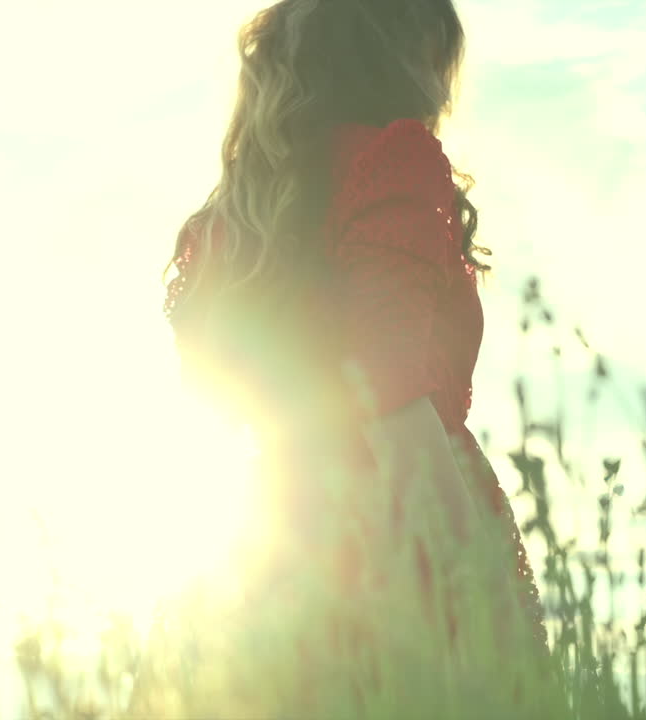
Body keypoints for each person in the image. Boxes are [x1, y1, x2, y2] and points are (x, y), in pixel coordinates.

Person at [124, 0, 563, 716]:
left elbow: (218, 393)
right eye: (435, 57)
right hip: (396, 529)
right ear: (397, 50)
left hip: (261, 547)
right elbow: (388, 396)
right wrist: (480, 605)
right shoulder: (393, 163)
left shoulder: (246, 209)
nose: (441, 88)